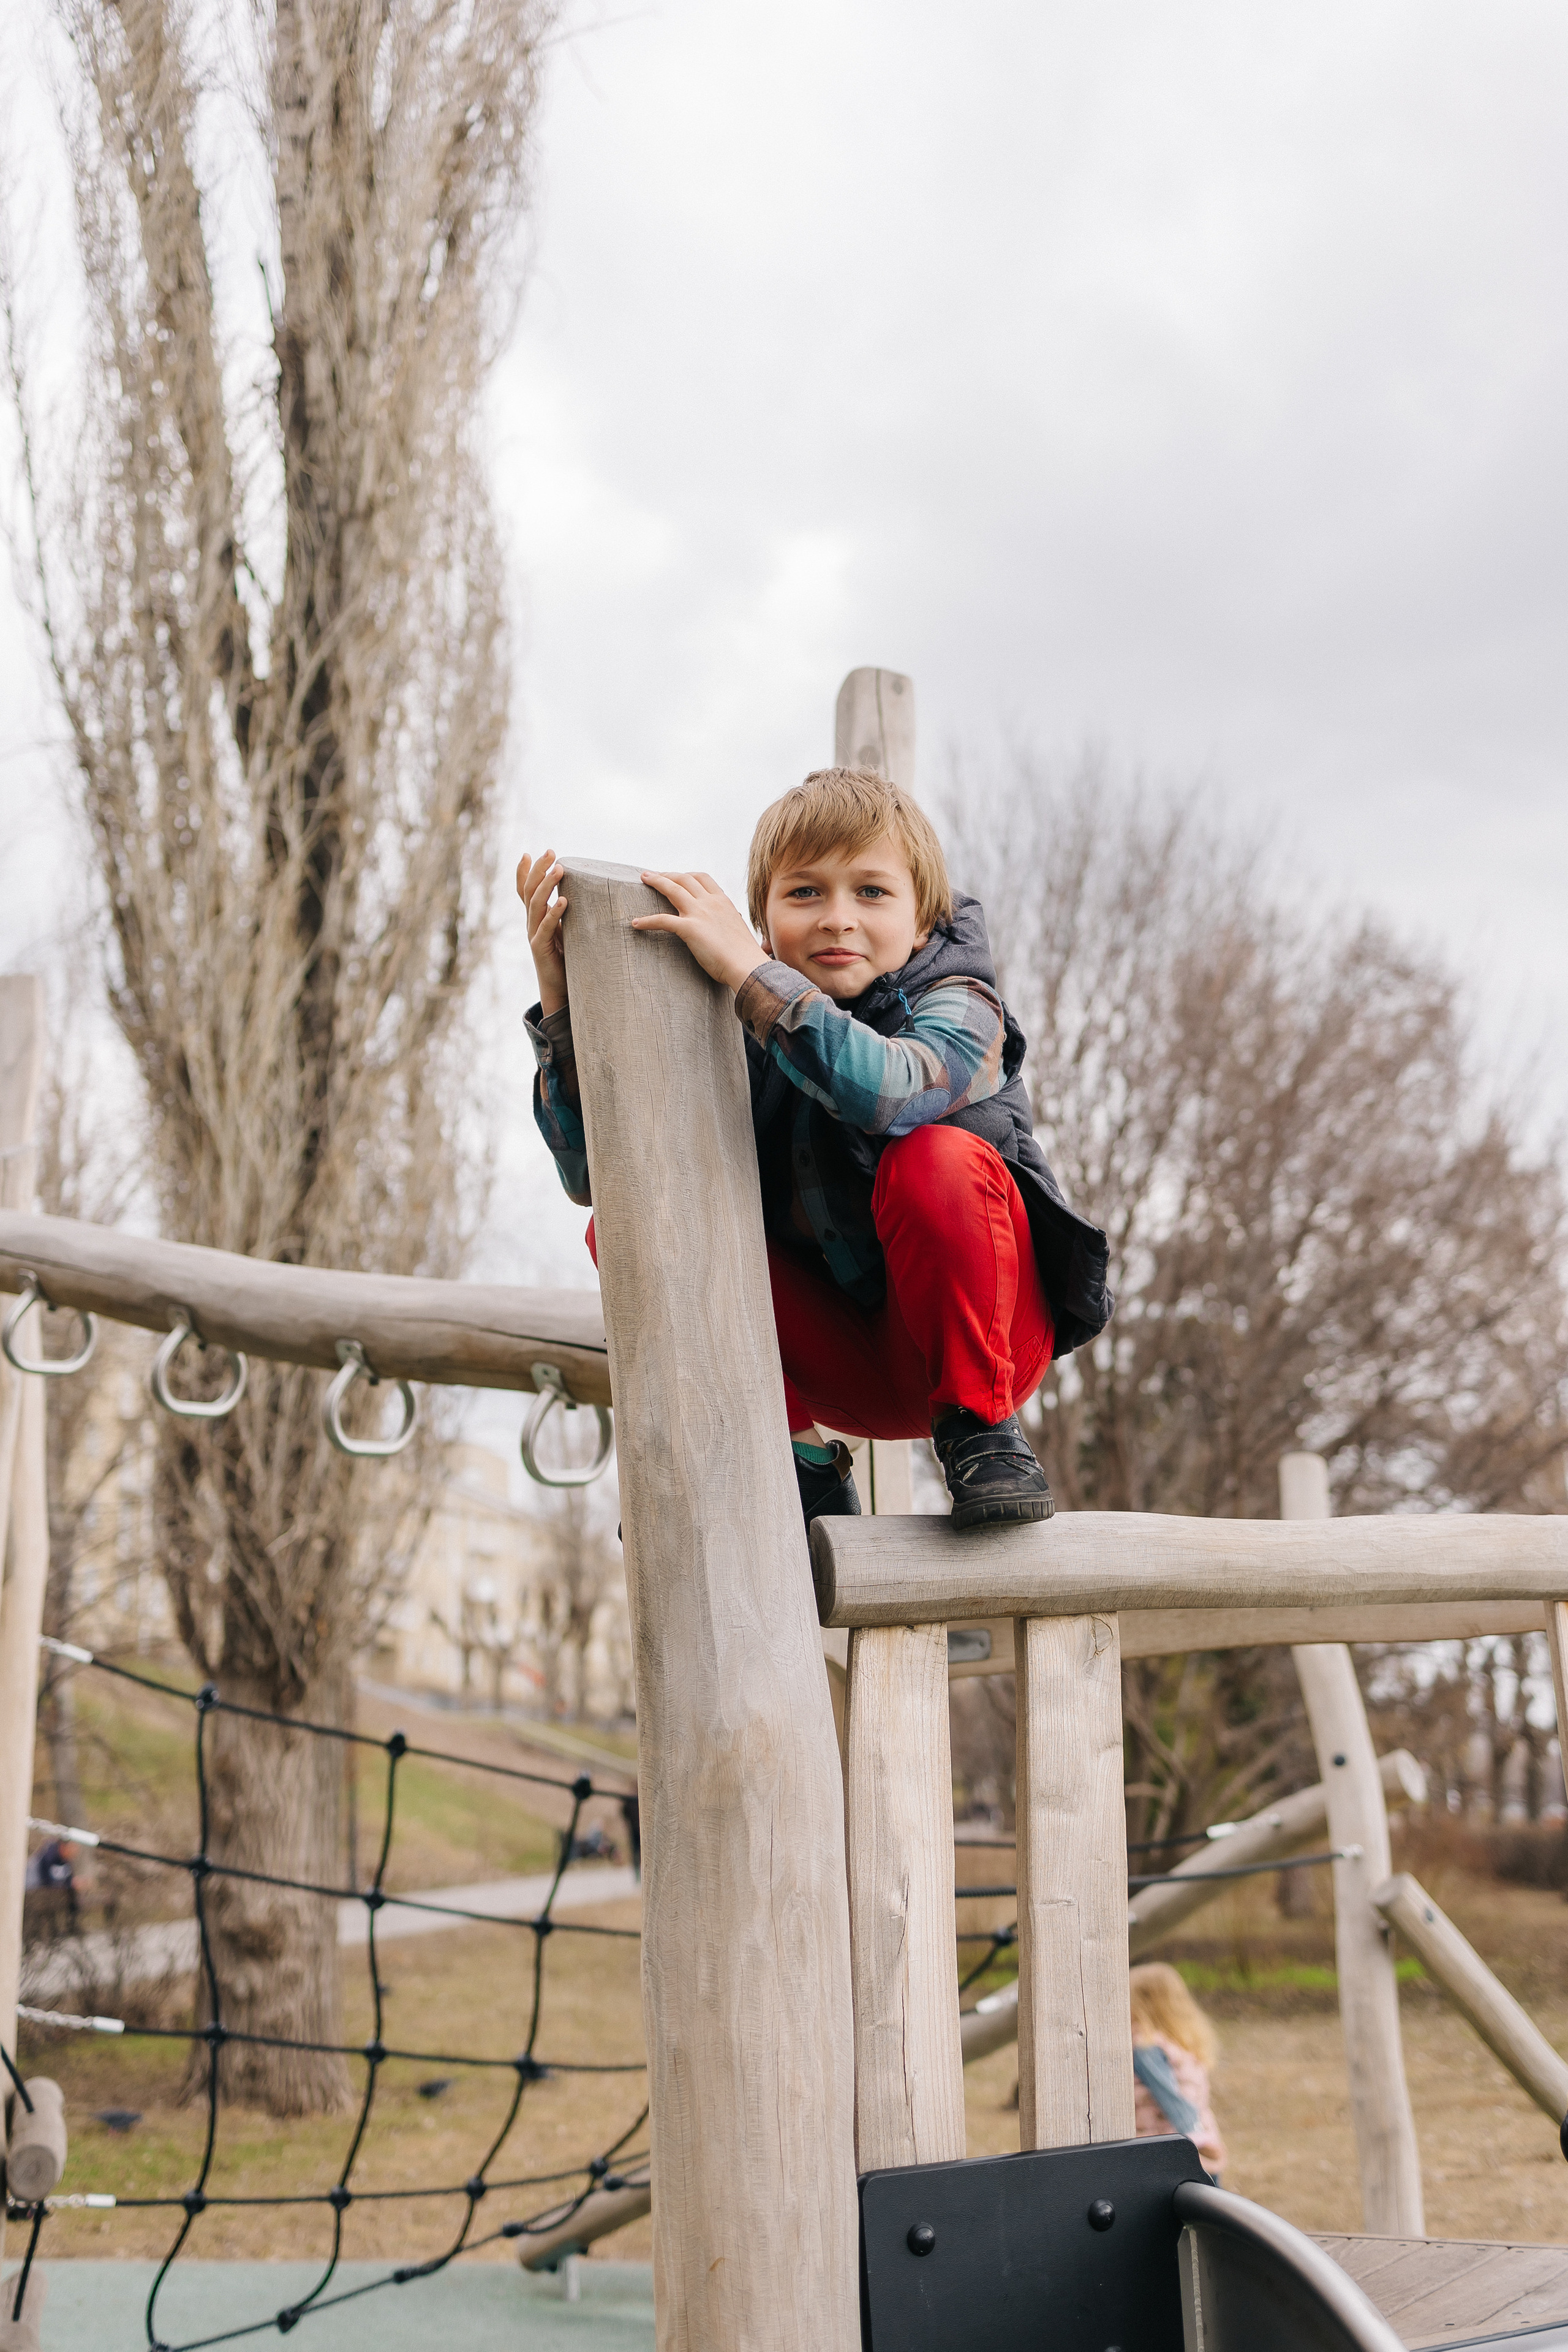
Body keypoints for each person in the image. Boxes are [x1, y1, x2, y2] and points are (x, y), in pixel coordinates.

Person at [518, 767, 1111, 1532]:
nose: (837, 918)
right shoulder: (739, 1026)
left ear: (923, 917)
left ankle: (980, 1430)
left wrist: (747, 972)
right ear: (761, 919)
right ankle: (800, 1466)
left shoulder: (962, 1005)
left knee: (931, 1158)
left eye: (870, 892)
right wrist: (563, 1003)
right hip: (842, 1361)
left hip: (987, 1337)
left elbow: (889, 1094)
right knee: (633, 1221)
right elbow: (596, 1180)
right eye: (804, 893)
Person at [1129, 1961, 1226, 2182]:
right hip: (1193, 2144)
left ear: (1143, 2003)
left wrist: (1199, 2140)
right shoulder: (1180, 2045)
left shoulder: (1145, 2048)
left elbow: (1171, 2098)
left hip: (1170, 2152)